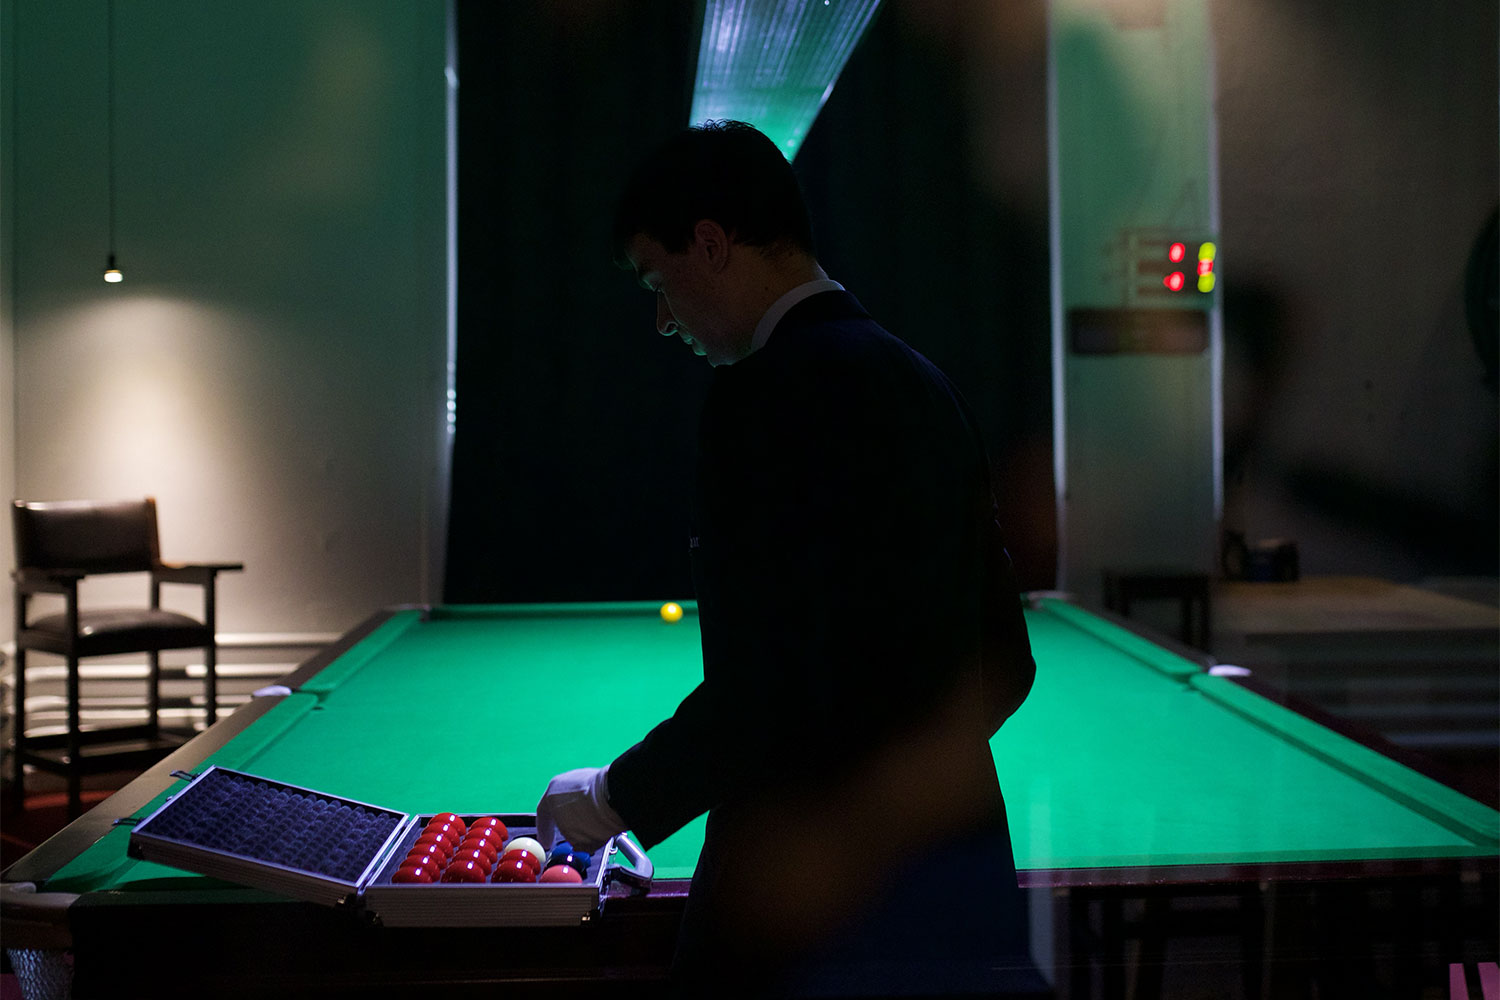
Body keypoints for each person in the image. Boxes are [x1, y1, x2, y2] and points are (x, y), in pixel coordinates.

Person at [537, 120, 1037, 997]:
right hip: (961, 889)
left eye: (658, 281)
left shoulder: (759, 401)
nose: (663, 319)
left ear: (710, 244)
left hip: (802, 903)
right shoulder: (927, 384)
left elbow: (766, 689)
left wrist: (615, 797)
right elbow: (1010, 663)